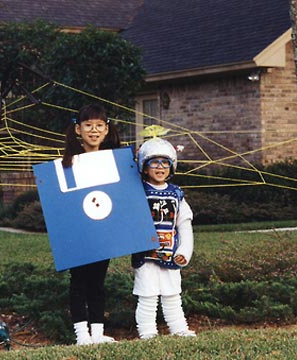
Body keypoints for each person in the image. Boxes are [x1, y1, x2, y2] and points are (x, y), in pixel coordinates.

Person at [62, 103, 120, 345]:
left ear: (106, 130)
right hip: (79, 233)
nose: (93, 130)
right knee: (79, 282)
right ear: (78, 129)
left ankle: (97, 333)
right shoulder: (68, 164)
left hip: (102, 231)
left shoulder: (115, 162)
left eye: (99, 126)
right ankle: (81, 335)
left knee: (97, 283)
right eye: (88, 125)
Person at [132, 137, 196, 339]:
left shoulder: (177, 194)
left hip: (170, 253)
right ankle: (147, 332)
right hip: (146, 254)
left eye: (165, 162)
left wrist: (184, 252)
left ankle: (179, 328)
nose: (160, 167)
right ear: (144, 166)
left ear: (172, 166)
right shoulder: (137, 192)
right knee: (147, 295)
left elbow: (184, 224)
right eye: (154, 162)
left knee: (172, 294)